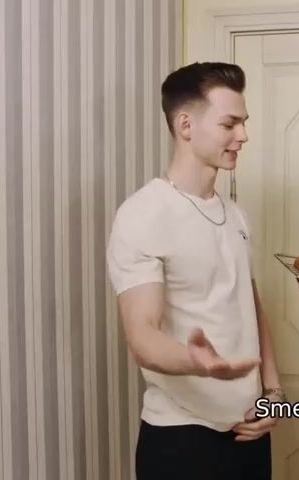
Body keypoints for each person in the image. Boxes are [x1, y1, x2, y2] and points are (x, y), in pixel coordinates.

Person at [106, 62, 282, 480]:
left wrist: (273, 392)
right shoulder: (143, 214)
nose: (243, 135)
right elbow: (142, 335)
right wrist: (197, 362)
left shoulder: (234, 214)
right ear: (186, 125)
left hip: (249, 432)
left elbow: (250, 306)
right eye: (229, 124)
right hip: (182, 439)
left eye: (243, 122)